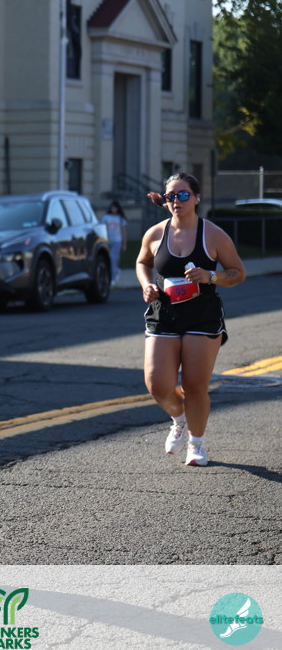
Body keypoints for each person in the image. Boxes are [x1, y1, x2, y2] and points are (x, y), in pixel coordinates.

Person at [135, 172, 245, 466]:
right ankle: (180, 419)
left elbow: (238, 273)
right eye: (171, 196)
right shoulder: (155, 234)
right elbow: (142, 262)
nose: (176, 201)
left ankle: (196, 444)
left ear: (196, 198)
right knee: (157, 384)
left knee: (195, 386)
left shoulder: (213, 235)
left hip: (202, 316)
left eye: (183, 195)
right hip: (164, 314)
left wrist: (211, 276)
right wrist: (146, 285)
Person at [102, 200, 128, 284]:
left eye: (115, 207)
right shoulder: (106, 217)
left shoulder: (120, 218)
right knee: (107, 259)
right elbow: (103, 229)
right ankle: (108, 275)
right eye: (113, 207)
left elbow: (124, 232)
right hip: (107, 241)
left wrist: (124, 244)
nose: (114, 209)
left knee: (114, 258)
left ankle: (113, 277)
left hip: (117, 241)